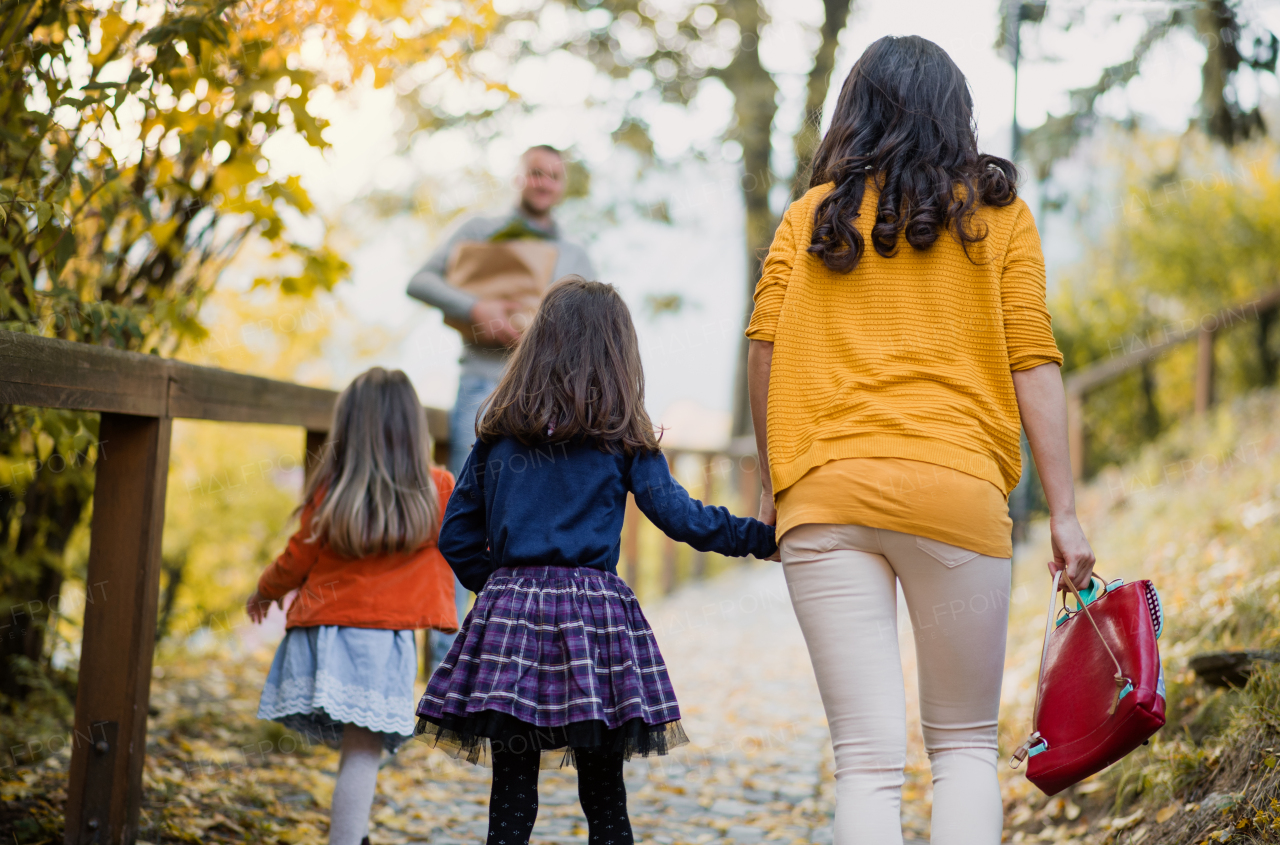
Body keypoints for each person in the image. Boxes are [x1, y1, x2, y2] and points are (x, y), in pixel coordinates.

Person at [745, 36, 1096, 845]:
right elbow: (1033, 357)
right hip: (956, 492)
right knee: (965, 746)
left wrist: (772, 482)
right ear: (956, 112)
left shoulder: (810, 217)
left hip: (824, 496)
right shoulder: (999, 214)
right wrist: (1066, 512)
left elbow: (762, 350)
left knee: (864, 760)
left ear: (853, 113)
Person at [414, 276, 778, 845]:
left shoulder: (501, 434)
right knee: (605, 795)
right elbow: (680, 517)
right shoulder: (623, 436)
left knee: (512, 790)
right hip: (596, 624)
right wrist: (760, 538)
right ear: (618, 355)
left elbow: (457, 534)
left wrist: (505, 587)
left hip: (512, 621)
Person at [245, 367, 457, 845]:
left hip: (327, 635)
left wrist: (265, 591)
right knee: (362, 753)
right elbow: (469, 547)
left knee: (357, 752)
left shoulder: (333, 488)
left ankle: (352, 836)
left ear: (350, 428)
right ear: (412, 427)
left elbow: (297, 555)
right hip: (381, 643)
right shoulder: (437, 488)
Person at [406, 144, 596, 668]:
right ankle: (451, 658)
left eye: (554, 176)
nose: (543, 182)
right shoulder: (478, 230)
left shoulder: (576, 255)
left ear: (562, 185)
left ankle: (516, 655)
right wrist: (476, 307)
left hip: (551, 401)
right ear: (520, 177)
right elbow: (418, 281)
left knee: (533, 520)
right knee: (469, 515)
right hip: (482, 386)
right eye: (536, 172)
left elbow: (596, 329)